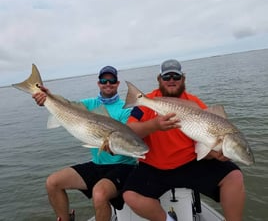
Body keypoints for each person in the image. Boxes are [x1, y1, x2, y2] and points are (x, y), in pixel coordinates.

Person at [122, 59, 245, 221]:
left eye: (176, 76)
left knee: (234, 177)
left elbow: (202, 144)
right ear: (159, 79)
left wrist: (215, 153)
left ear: (183, 79)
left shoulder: (195, 104)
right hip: (153, 167)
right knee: (130, 196)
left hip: (189, 163)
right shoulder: (146, 102)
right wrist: (154, 125)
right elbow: (127, 132)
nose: (171, 80)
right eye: (166, 77)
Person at [33, 66, 137, 221]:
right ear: (98, 83)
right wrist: (47, 97)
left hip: (123, 165)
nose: (108, 83)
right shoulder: (88, 104)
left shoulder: (126, 109)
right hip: (97, 164)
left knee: (99, 194)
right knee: (52, 183)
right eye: (104, 80)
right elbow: (66, 105)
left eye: (112, 80)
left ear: (118, 83)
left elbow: (127, 140)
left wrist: (113, 146)